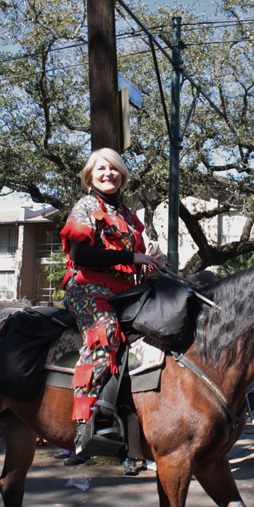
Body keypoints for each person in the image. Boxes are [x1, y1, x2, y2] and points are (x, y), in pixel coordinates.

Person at [60, 148, 165, 454]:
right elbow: (81, 255)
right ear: (90, 176)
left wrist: (151, 263)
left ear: (122, 175)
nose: (108, 174)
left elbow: (137, 258)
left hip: (125, 289)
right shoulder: (85, 206)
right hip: (88, 286)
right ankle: (86, 423)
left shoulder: (128, 215)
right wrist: (131, 256)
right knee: (104, 331)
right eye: (101, 169)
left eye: (114, 169)